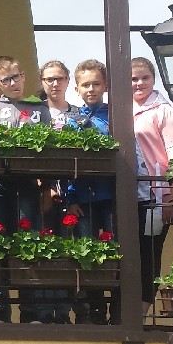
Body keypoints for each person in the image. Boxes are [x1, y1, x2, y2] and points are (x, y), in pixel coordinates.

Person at [0, 57, 55, 322]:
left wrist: (48, 187)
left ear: (23, 76)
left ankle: (29, 308)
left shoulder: (40, 110)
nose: (13, 83)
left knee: (27, 244)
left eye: (17, 76)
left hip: (28, 185)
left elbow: (48, 149)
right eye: (6, 79)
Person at [132, 57, 173, 306]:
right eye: (133, 79)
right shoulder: (118, 109)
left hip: (154, 196)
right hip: (126, 194)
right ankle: (122, 311)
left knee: (149, 254)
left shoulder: (165, 112)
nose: (139, 83)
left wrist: (169, 198)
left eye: (145, 77)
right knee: (126, 256)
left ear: (154, 79)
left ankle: (141, 314)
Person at [66, 60, 116, 324]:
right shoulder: (73, 120)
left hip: (112, 196)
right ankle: (93, 310)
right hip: (83, 198)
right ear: (77, 89)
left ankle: (116, 310)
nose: (91, 89)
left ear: (105, 86)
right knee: (86, 252)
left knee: (114, 250)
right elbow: (67, 164)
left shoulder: (116, 116)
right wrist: (70, 198)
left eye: (96, 83)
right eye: (85, 85)